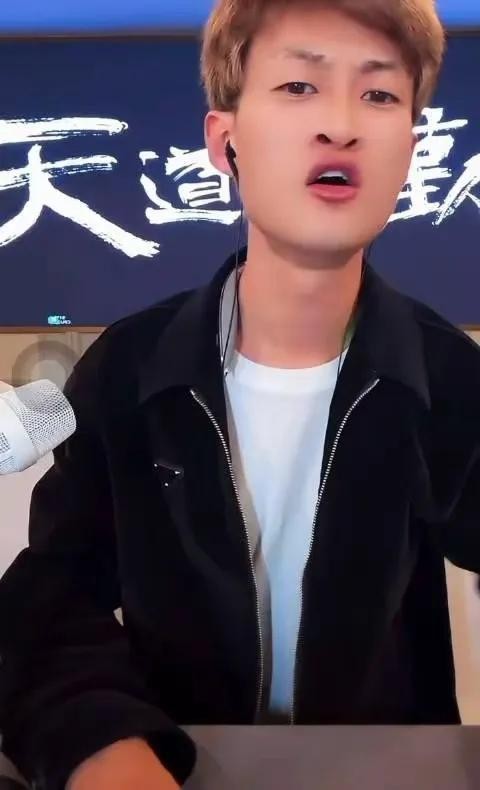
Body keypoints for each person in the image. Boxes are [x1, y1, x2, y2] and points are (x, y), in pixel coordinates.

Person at [2, 1, 478, 788]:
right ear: (225, 142)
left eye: (379, 94)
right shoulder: (129, 368)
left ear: (411, 147)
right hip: (176, 762)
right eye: (298, 87)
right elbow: (47, 602)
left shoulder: (449, 377)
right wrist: (103, 748)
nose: (340, 126)